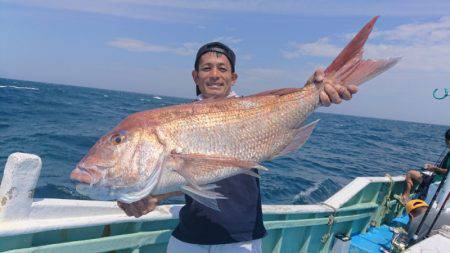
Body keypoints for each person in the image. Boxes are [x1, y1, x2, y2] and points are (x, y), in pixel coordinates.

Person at [117, 42, 358, 252]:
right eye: (206, 68)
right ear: (195, 76)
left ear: (233, 78)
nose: (214, 74)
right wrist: (151, 196)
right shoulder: (176, 121)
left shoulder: (253, 109)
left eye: (222, 69)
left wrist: (313, 91)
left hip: (241, 237)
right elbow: (189, 176)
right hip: (189, 235)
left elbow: (282, 110)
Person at [401, 129, 450, 204]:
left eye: (446, 140)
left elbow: (447, 171)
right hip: (441, 182)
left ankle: (405, 198)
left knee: (410, 173)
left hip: (437, 182)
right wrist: (433, 168)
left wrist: (433, 168)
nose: (445, 142)